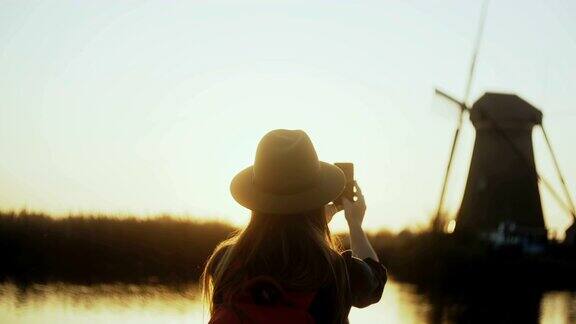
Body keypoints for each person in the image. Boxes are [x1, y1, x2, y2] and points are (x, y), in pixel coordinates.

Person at [202, 129, 386, 324]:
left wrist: (317, 220)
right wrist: (355, 224)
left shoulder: (224, 262)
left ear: (256, 198)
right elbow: (376, 281)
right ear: (317, 196)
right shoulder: (336, 272)